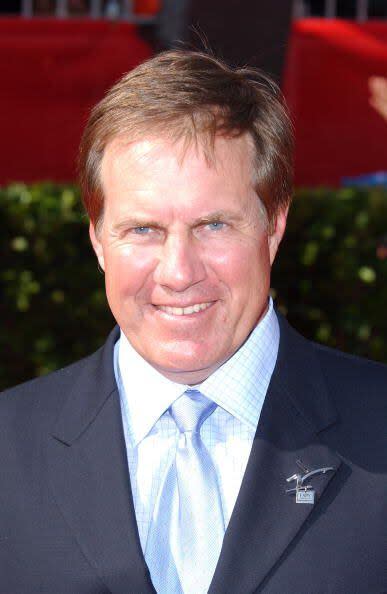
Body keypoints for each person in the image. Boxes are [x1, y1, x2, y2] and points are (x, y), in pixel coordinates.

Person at [1, 50, 386, 594]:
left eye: (212, 225)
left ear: (273, 227)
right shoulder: (7, 451)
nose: (179, 272)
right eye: (143, 230)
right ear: (97, 240)